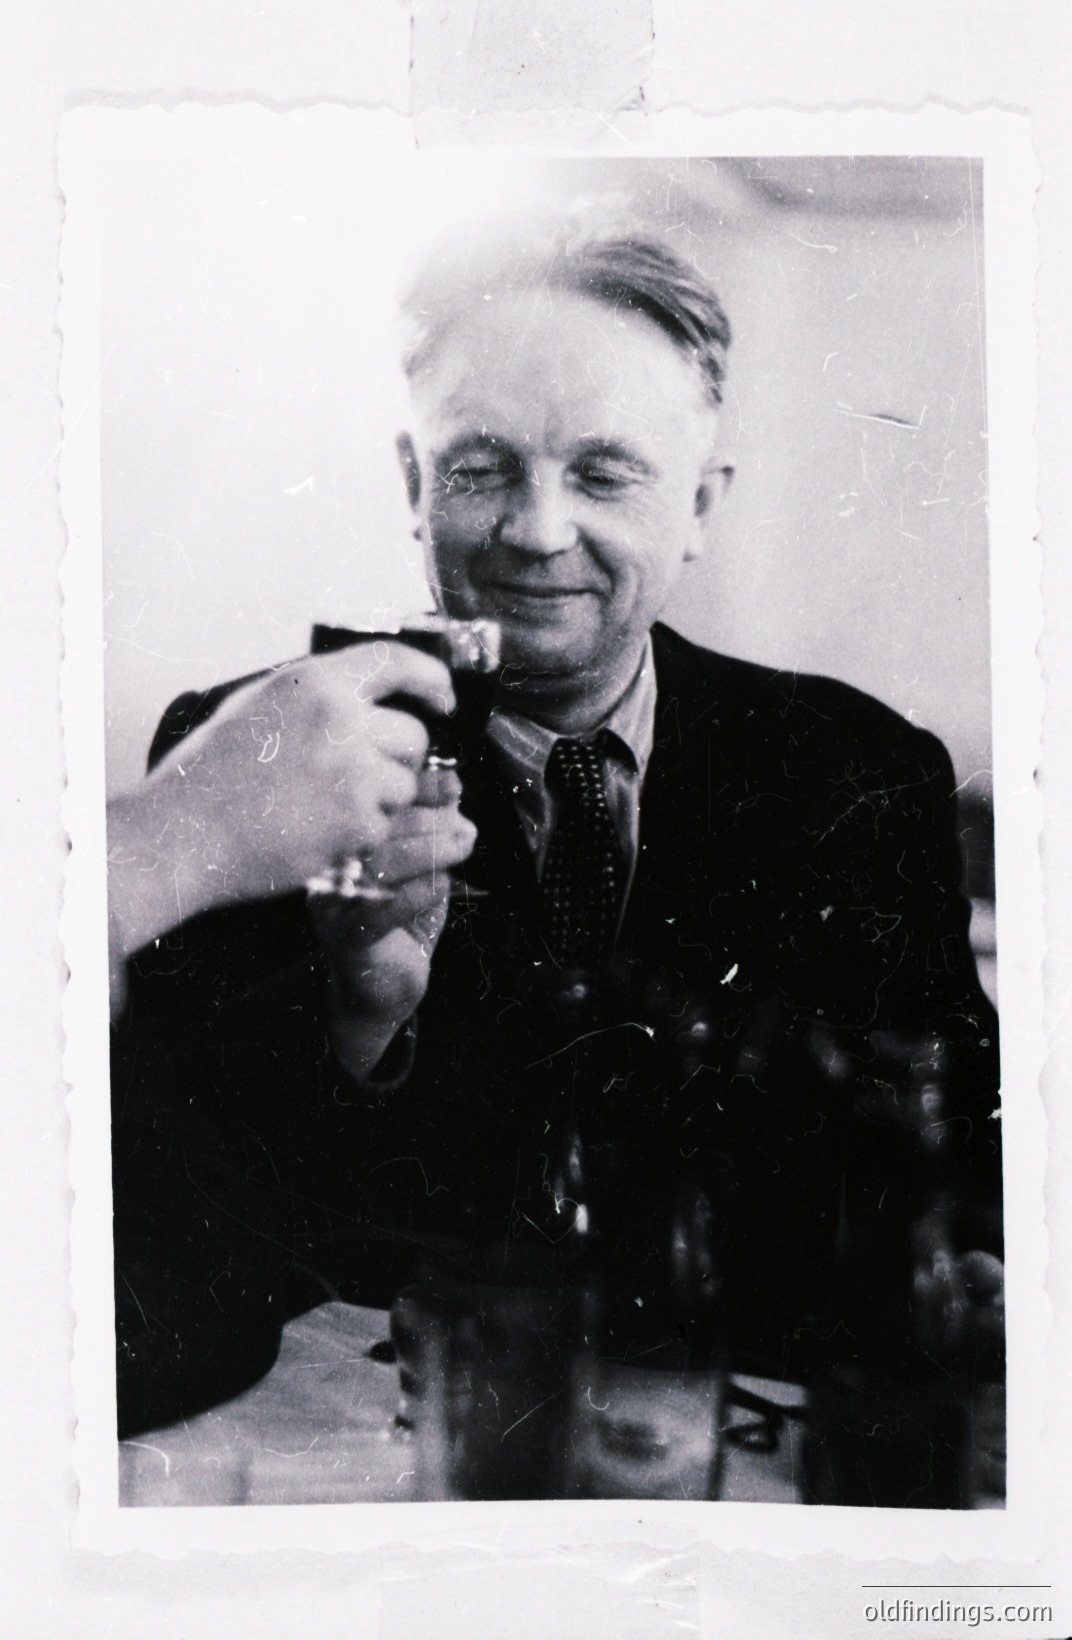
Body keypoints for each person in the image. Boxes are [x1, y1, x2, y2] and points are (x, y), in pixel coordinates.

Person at [110, 208, 1002, 1444]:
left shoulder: (859, 768)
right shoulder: (253, 747)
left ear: (699, 505)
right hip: (378, 1449)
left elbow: (958, 1157)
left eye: (602, 471)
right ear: (415, 488)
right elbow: (194, 1217)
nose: (536, 532)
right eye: (481, 467)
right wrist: (361, 1014)